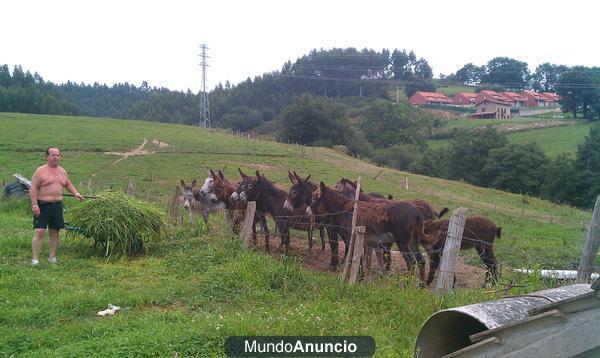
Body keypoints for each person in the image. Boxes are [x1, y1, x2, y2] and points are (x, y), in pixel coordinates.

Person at [29, 147, 84, 266]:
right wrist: (34, 204)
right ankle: (35, 259)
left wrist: (75, 193)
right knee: (39, 231)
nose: (56, 157)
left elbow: (67, 183)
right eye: (53, 155)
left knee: (55, 232)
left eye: (58, 155)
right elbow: (33, 188)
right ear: (47, 157)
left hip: (57, 206)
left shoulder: (62, 171)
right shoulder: (40, 171)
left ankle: (52, 257)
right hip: (42, 205)